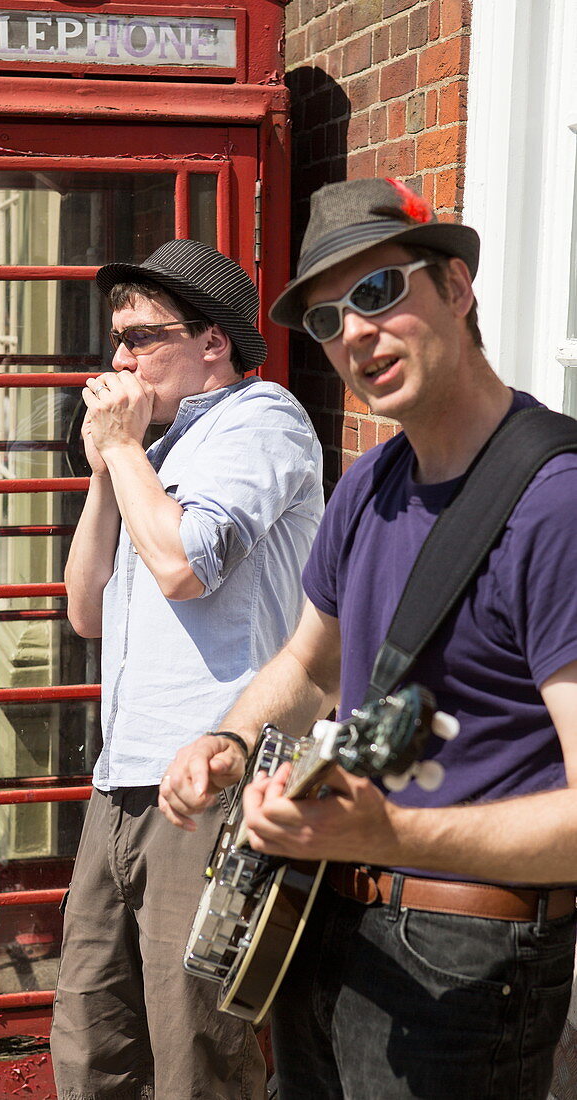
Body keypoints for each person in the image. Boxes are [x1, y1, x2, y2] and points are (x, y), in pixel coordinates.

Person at [160, 179, 577, 1099]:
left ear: (457, 287)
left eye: (379, 292)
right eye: (323, 318)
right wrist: (227, 742)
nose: (353, 331)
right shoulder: (370, 483)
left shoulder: (556, 504)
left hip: (466, 962)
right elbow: (309, 665)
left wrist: (391, 828)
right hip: (323, 928)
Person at [50, 238, 324, 1100]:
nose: (121, 360)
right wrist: (107, 465)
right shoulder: (150, 455)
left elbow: (184, 566)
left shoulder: (264, 421)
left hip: (212, 780)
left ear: (214, 341)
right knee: (91, 1044)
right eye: (116, 341)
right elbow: (84, 611)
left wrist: (125, 447)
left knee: (196, 1054)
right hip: (120, 778)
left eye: (142, 337)